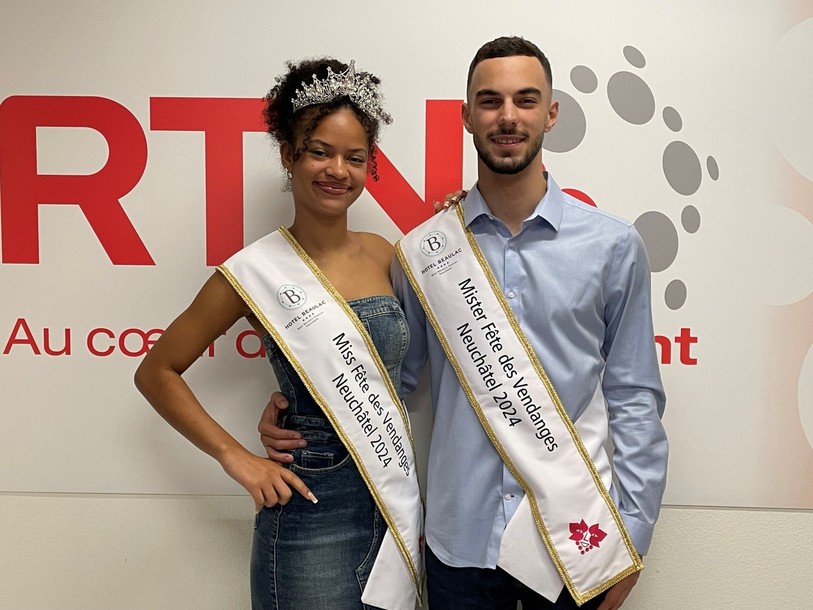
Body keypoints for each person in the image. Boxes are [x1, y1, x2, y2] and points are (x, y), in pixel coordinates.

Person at [261, 36, 668, 610]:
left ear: (551, 113)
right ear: (466, 116)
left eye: (526, 100)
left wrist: (634, 535)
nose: (508, 116)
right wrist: (302, 413)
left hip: (577, 542)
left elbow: (635, 397)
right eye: (490, 101)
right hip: (461, 549)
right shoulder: (426, 252)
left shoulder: (613, 246)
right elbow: (389, 385)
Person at [135, 58, 423, 610]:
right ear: (289, 155)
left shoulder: (384, 254)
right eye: (319, 151)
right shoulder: (253, 273)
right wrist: (235, 457)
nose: (337, 170)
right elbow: (156, 372)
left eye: (354, 157)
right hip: (310, 505)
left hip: (394, 499)